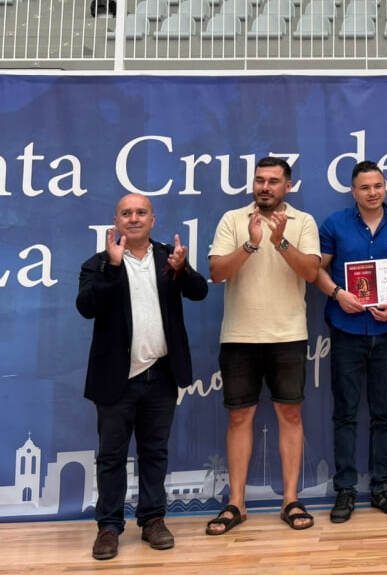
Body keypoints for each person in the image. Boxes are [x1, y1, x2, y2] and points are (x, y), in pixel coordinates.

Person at [76, 193, 208, 560]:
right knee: (112, 457)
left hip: (160, 376)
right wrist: (113, 267)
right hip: (115, 379)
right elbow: (86, 307)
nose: (133, 218)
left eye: (141, 212)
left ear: (153, 220)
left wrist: (183, 270)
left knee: (155, 452)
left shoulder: (169, 258)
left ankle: (153, 520)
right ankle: (108, 527)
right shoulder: (98, 264)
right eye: (126, 213)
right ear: (116, 222)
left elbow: (199, 292)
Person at [206, 157, 321, 534]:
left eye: (273, 181)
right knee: (239, 417)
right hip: (240, 336)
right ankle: (236, 503)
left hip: (288, 335)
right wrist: (251, 245)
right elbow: (217, 273)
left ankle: (290, 499)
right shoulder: (232, 219)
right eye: (260, 180)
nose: (265, 187)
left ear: (288, 186)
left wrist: (279, 241)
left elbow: (310, 272)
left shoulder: (303, 222)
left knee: (290, 415)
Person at [314, 161, 387, 523]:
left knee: (382, 414)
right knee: (345, 414)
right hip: (347, 331)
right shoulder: (334, 224)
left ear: (385, 187)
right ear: (353, 191)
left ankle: (381, 487)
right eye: (365, 187)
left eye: (378, 186)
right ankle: (345, 490)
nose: (372, 193)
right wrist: (337, 293)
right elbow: (318, 269)